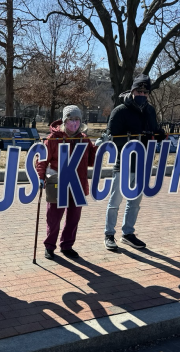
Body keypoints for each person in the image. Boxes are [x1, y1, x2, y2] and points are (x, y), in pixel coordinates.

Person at [103, 74, 165, 251]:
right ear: (132, 91)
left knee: (135, 203)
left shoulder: (150, 111)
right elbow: (111, 137)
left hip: (142, 164)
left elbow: (153, 130)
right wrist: (130, 138)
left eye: (146, 92)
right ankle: (109, 234)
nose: (142, 95)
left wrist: (158, 133)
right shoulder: (120, 111)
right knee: (115, 202)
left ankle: (128, 233)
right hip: (123, 164)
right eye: (139, 91)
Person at [36, 105, 97, 260]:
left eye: (77, 119)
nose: (74, 123)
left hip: (78, 183)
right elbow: (42, 160)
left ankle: (67, 245)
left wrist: (98, 148)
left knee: (73, 217)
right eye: (71, 119)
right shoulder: (52, 139)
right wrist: (40, 177)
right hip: (58, 183)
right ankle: (49, 246)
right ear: (65, 120)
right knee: (54, 216)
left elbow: (91, 161)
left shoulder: (84, 139)